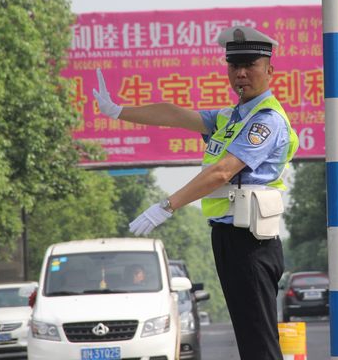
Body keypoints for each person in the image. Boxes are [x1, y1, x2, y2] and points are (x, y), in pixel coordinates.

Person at [93, 25, 298, 360]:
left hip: (252, 241)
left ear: (269, 70)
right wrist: (118, 111)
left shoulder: (266, 121)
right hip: (230, 236)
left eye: (250, 65)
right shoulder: (232, 117)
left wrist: (167, 206)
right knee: (250, 339)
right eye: (235, 65)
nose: (241, 73)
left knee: (259, 343)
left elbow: (221, 172)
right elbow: (174, 114)